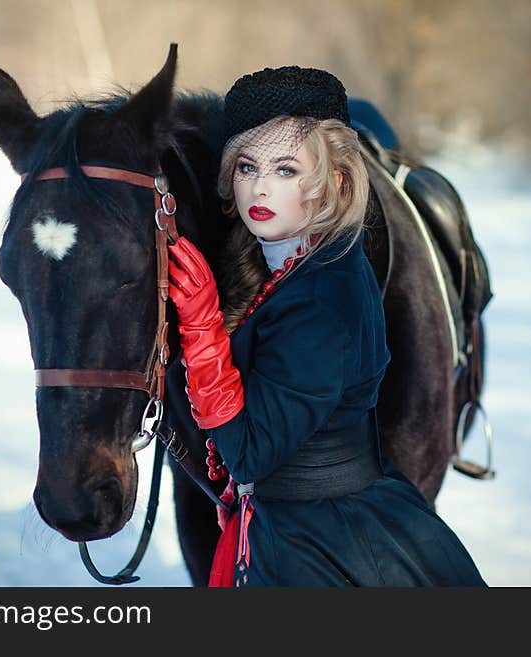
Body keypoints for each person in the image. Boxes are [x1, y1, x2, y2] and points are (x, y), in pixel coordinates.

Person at [166, 65, 485, 587]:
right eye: (247, 166)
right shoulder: (296, 264)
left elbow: (249, 453)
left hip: (322, 545)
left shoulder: (320, 298)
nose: (259, 189)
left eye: (286, 170)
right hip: (294, 530)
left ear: (332, 180)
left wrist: (202, 330)